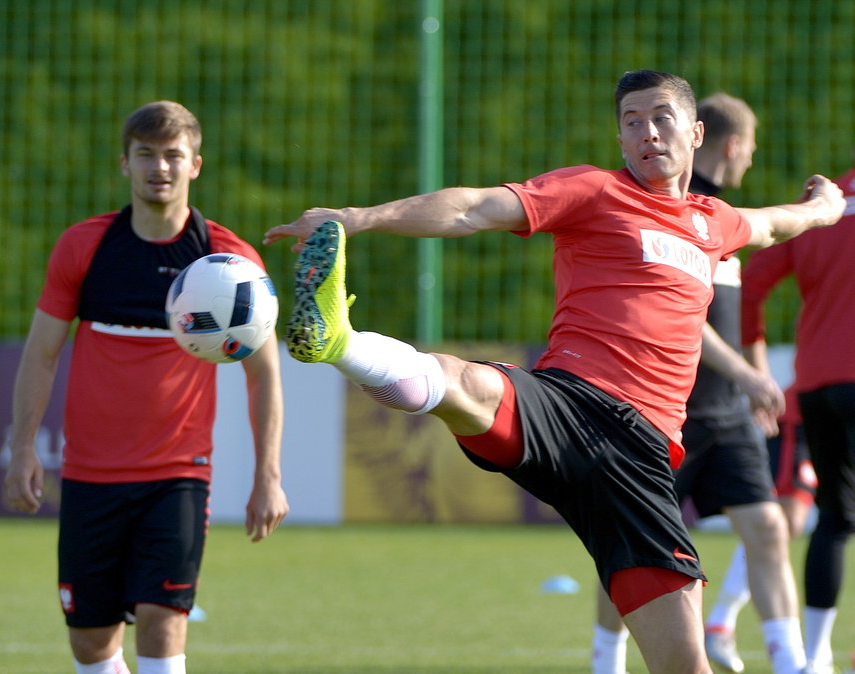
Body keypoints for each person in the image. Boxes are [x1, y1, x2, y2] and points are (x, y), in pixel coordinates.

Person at [264, 70, 845, 674]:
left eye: (661, 118)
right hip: (569, 404)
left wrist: (824, 208)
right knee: (467, 384)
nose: (647, 132)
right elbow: (472, 208)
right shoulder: (593, 191)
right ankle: (337, 340)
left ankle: (360, 355)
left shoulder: (712, 222)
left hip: (643, 460)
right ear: (620, 139)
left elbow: (776, 223)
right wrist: (356, 218)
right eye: (632, 122)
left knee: (685, 664)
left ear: (696, 133)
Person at [5, 100, 289, 674]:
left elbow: (263, 372)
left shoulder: (229, 262)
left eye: (173, 156)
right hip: (90, 476)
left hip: (177, 476)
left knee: (163, 629)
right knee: (90, 642)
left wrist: (268, 476)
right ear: (125, 164)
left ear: (195, 165)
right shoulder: (84, 248)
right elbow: (41, 352)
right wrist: (22, 449)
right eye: (146, 155)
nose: (160, 167)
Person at [589, 92, 806, 674]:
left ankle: (795, 665)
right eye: (752, 149)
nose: (752, 160)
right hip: (666, 409)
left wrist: (751, 374)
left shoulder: (722, 215)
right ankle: (604, 660)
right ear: (729, 144)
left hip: (727, 410)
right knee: (634, 548)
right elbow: (680, 317)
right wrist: (743, 371)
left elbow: (736, 312)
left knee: (767, 526)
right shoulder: (673, 208)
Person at [742, 149, 855, 674]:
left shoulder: (823, 202)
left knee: (833, 518)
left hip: (815, 383)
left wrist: (757, 363)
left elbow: (749, 282)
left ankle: (817, 657)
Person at [702, 385, 819, 672]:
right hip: (802, 412)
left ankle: (720, 625)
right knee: (781, 521)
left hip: (835, 416)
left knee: (787, 526)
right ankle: (721, 625)